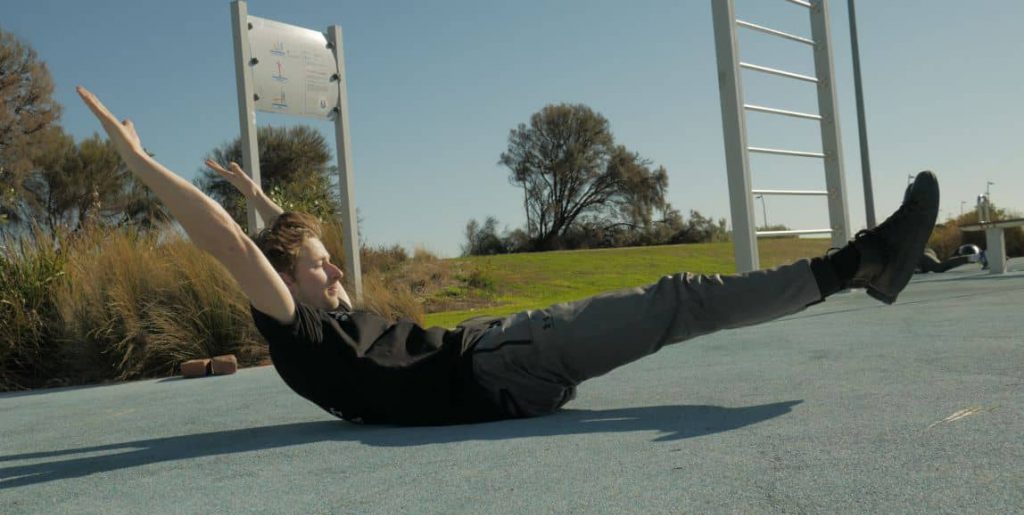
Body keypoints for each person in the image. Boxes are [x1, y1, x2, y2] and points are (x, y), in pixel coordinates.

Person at [78, 87, 940, 426]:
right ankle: (861, 264)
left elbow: (272, 242)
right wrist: (140, 161)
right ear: (283, 282)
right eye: (320, 266)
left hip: (503, 360)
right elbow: (234, 247)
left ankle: (870, 265)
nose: (338, 274)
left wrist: (272, 206)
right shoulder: (301, 335)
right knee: (679, 298)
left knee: (676, 305)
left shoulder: (332, 325)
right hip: (503, 362)